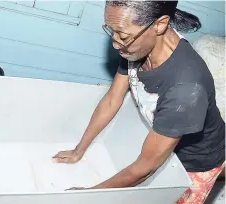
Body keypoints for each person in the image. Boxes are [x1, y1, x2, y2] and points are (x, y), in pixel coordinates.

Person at [53, 1, 225, 203]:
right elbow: (111, 101)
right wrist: (78, 150)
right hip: (166, 143)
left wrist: (91, 194)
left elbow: (145, 167)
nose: (115, 43)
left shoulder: (186, 89)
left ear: (160, 25)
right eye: (112, 31)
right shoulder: (137, 47)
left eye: (123, 35)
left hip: (195, 162)